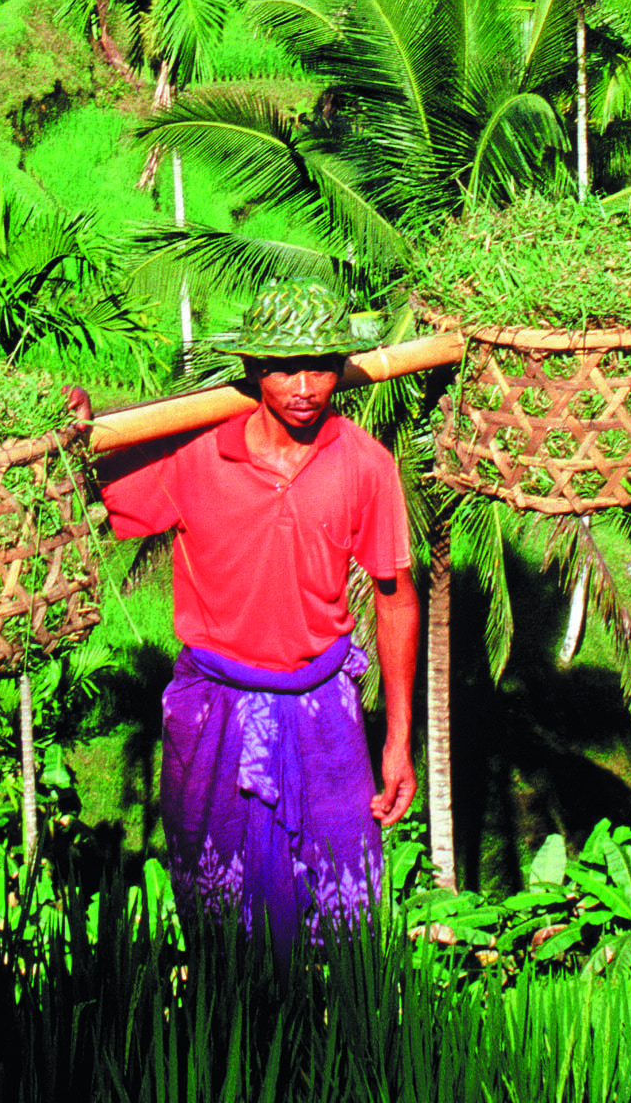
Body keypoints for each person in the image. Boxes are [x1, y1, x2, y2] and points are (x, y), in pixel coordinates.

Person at [99, 284, 418, 941]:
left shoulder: (363, 464)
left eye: (321, 365)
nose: (304, 386)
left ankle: (338, 1039)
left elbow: (396, 599)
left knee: (344, 916)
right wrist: (74, 425)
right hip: (213, 708)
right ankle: (233, 1039)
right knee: (217, 914)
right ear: (250, 369)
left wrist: (398, 741)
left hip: (322, 709)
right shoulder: (194, 455)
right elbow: (87, 491)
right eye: (281, 368)